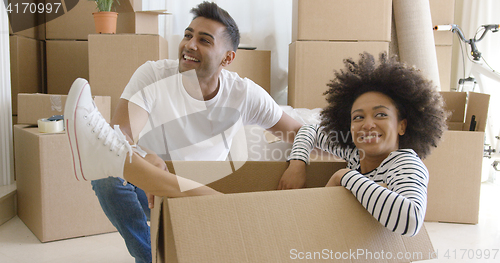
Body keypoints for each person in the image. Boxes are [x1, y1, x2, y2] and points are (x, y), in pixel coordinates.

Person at [64, 2, 302, 262]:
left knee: (110, 158)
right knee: (108, 173)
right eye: (188, 35)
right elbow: (119, 137)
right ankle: (149, 258)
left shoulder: (243, 95)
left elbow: (297, 131)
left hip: (201, 194)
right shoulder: (153, 74)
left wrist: (298, 162)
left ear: (228, 58)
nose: (189, 44)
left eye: (204, 40)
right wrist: (145, 156)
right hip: (151, 185)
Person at [279, 52, 448, 236]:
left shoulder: (406, 164)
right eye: (358, 117)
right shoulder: (354, 152)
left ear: (402, 125)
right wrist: (297, 164)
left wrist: (344, 176)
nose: (367, 125)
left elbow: (411, 221)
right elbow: (309, 130)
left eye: (381, 114)